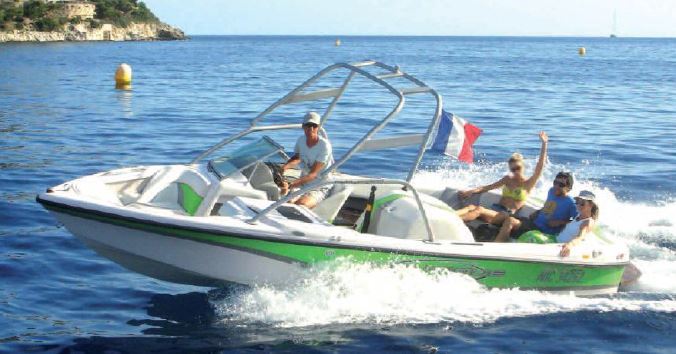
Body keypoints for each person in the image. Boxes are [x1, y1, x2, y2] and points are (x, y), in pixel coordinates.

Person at [456, 131, 548, 241]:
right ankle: (448, 216)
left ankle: (452, 223)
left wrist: (544, 144)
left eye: (517, 168)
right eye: (512, 169)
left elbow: (539, 167)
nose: (515, 172)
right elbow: (488, 187)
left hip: (506, 215)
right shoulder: (507, 179)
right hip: (496, 210)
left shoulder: (528, 183)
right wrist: (471, 191)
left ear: (523, 167)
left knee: (479, 210)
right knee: (471, 207)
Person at [498, 171, 577, 242]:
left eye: (561, 185)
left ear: (569, 188)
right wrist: (538, 212)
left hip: (542, 231)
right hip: (534, 223)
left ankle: (496, 248)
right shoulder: (551, 191)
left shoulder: (571, 203)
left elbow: (578, 221)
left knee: (510, 221)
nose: (556, 186)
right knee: (504, 215)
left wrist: (560, 222)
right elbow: (550, 207)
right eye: (555, 182)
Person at [517, 190, 599, 257]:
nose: (578, 205)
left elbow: (580, 237)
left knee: (532, 237)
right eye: (577, 202)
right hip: (555, 238)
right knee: (531, 233)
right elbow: (572, 224)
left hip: (559, 245)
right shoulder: (579, 215)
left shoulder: (588, 222)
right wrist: (560, 222)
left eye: (582, 203)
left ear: (591, 205)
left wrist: (569, 245)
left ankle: (519, 257)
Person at [280, 111, 334, 208]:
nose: (311, 129)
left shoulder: (324, 146)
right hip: (302, 183)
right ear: (303, 126)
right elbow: (297, 158)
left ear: (318, 127)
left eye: (314, 126)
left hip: (319, 186)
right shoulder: (301, 140)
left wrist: (291, 184)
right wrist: (283, 168)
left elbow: (313, 174)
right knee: (288, 203)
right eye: (308, 125)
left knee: (301, 204)